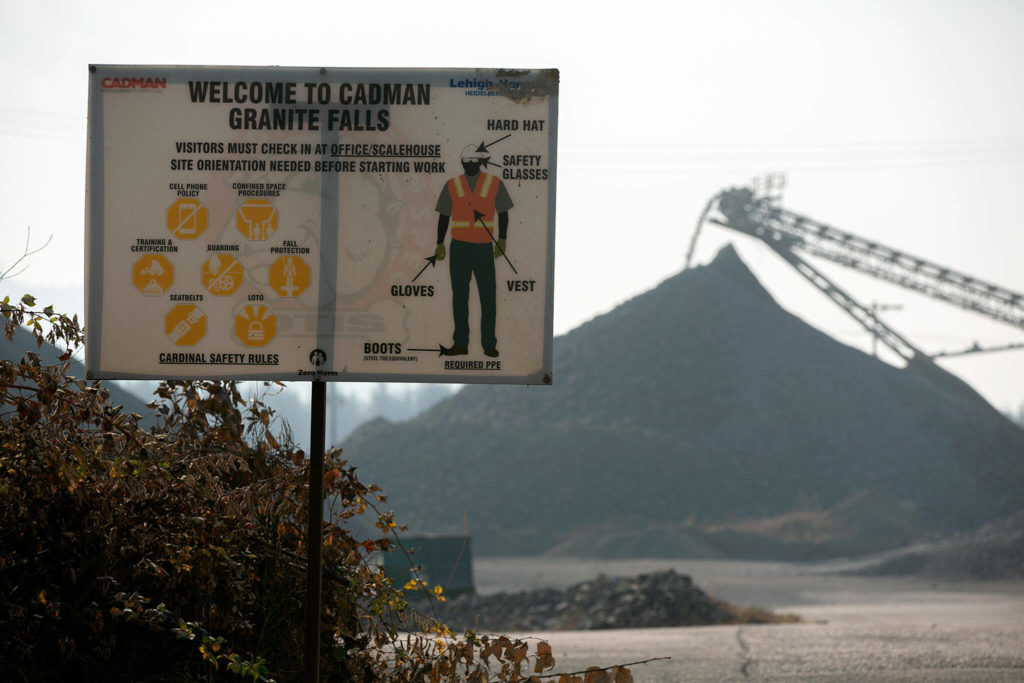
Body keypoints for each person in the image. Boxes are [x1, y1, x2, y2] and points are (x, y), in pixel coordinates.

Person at [434, 144, 513, 357]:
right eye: (465, 161)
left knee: (488, 297)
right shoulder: (452, 185)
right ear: (461, 162)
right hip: (459, 247)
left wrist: (502, 240)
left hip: (483, 248)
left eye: (472, 161)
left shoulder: (494, 183)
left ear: (480, 161)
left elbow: (503, 213)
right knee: (460, 297)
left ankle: (489, 344)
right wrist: (439, 243)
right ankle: (461, 344)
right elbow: (444, 216)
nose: (469, 165)